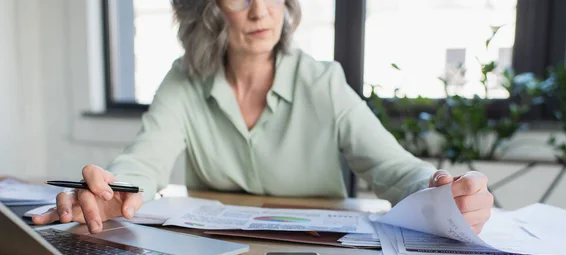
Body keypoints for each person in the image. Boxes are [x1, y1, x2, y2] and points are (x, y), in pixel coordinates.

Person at [33, 0, 493, 235]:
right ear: (207, 10)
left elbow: (392, 168)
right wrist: (115, 192)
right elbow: (145, 162)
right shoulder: (184, 81)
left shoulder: (323, 82)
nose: (260, 11)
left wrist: (439, 190)